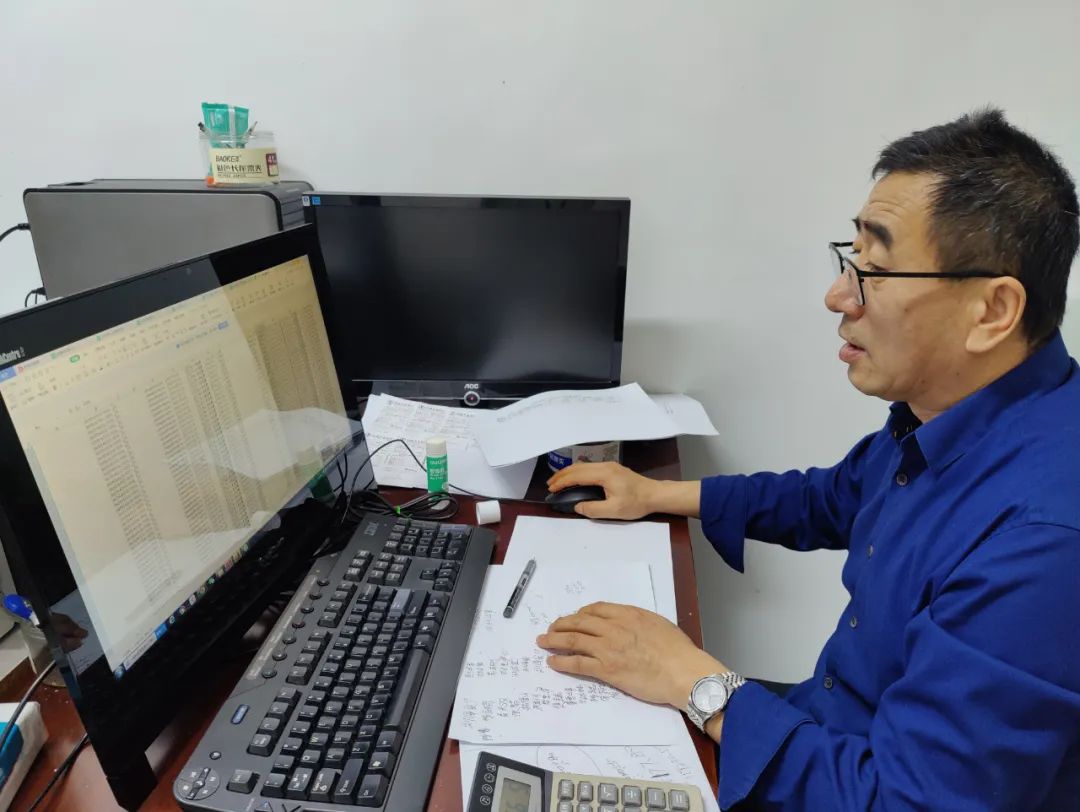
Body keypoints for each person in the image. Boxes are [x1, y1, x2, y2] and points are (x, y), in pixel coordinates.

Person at [538, 109, 1080, 810]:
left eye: (874, 271)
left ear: (992, 311)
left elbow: (903, 802)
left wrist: (695, 683)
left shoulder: (1043, 541)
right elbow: (832, 497)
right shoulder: (951, 415)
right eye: (849, 260)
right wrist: (656, 494)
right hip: (823, 730)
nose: (837, 296)